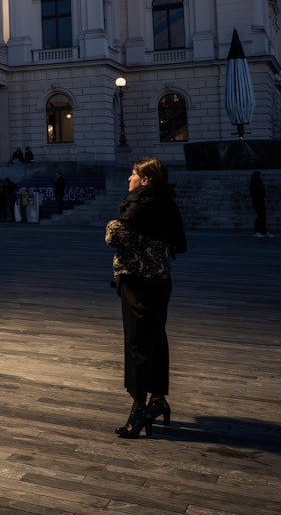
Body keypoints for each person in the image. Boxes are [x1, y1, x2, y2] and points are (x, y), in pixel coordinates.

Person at [106, 158, 186, 439]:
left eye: (133, 174)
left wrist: (111, 224)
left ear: (146, 179)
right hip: (160, 281)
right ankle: (158, 399)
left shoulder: (141, 204)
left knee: (137, 343)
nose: (129, 178)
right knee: (156, 339)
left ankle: (139, 409)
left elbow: (115, 234)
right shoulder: (165, 202)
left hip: (138, 282)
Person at [249, 171, 272, 237]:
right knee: (259, 216)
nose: (262, 176)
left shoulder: (260, 183)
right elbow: (254, 193)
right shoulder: (253, 184)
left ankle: (264, 231)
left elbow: (264, 192)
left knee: (263, 216)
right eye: (260, 175)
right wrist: (260, 193)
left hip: (261, 200)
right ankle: (256, 231)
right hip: (256, 201)